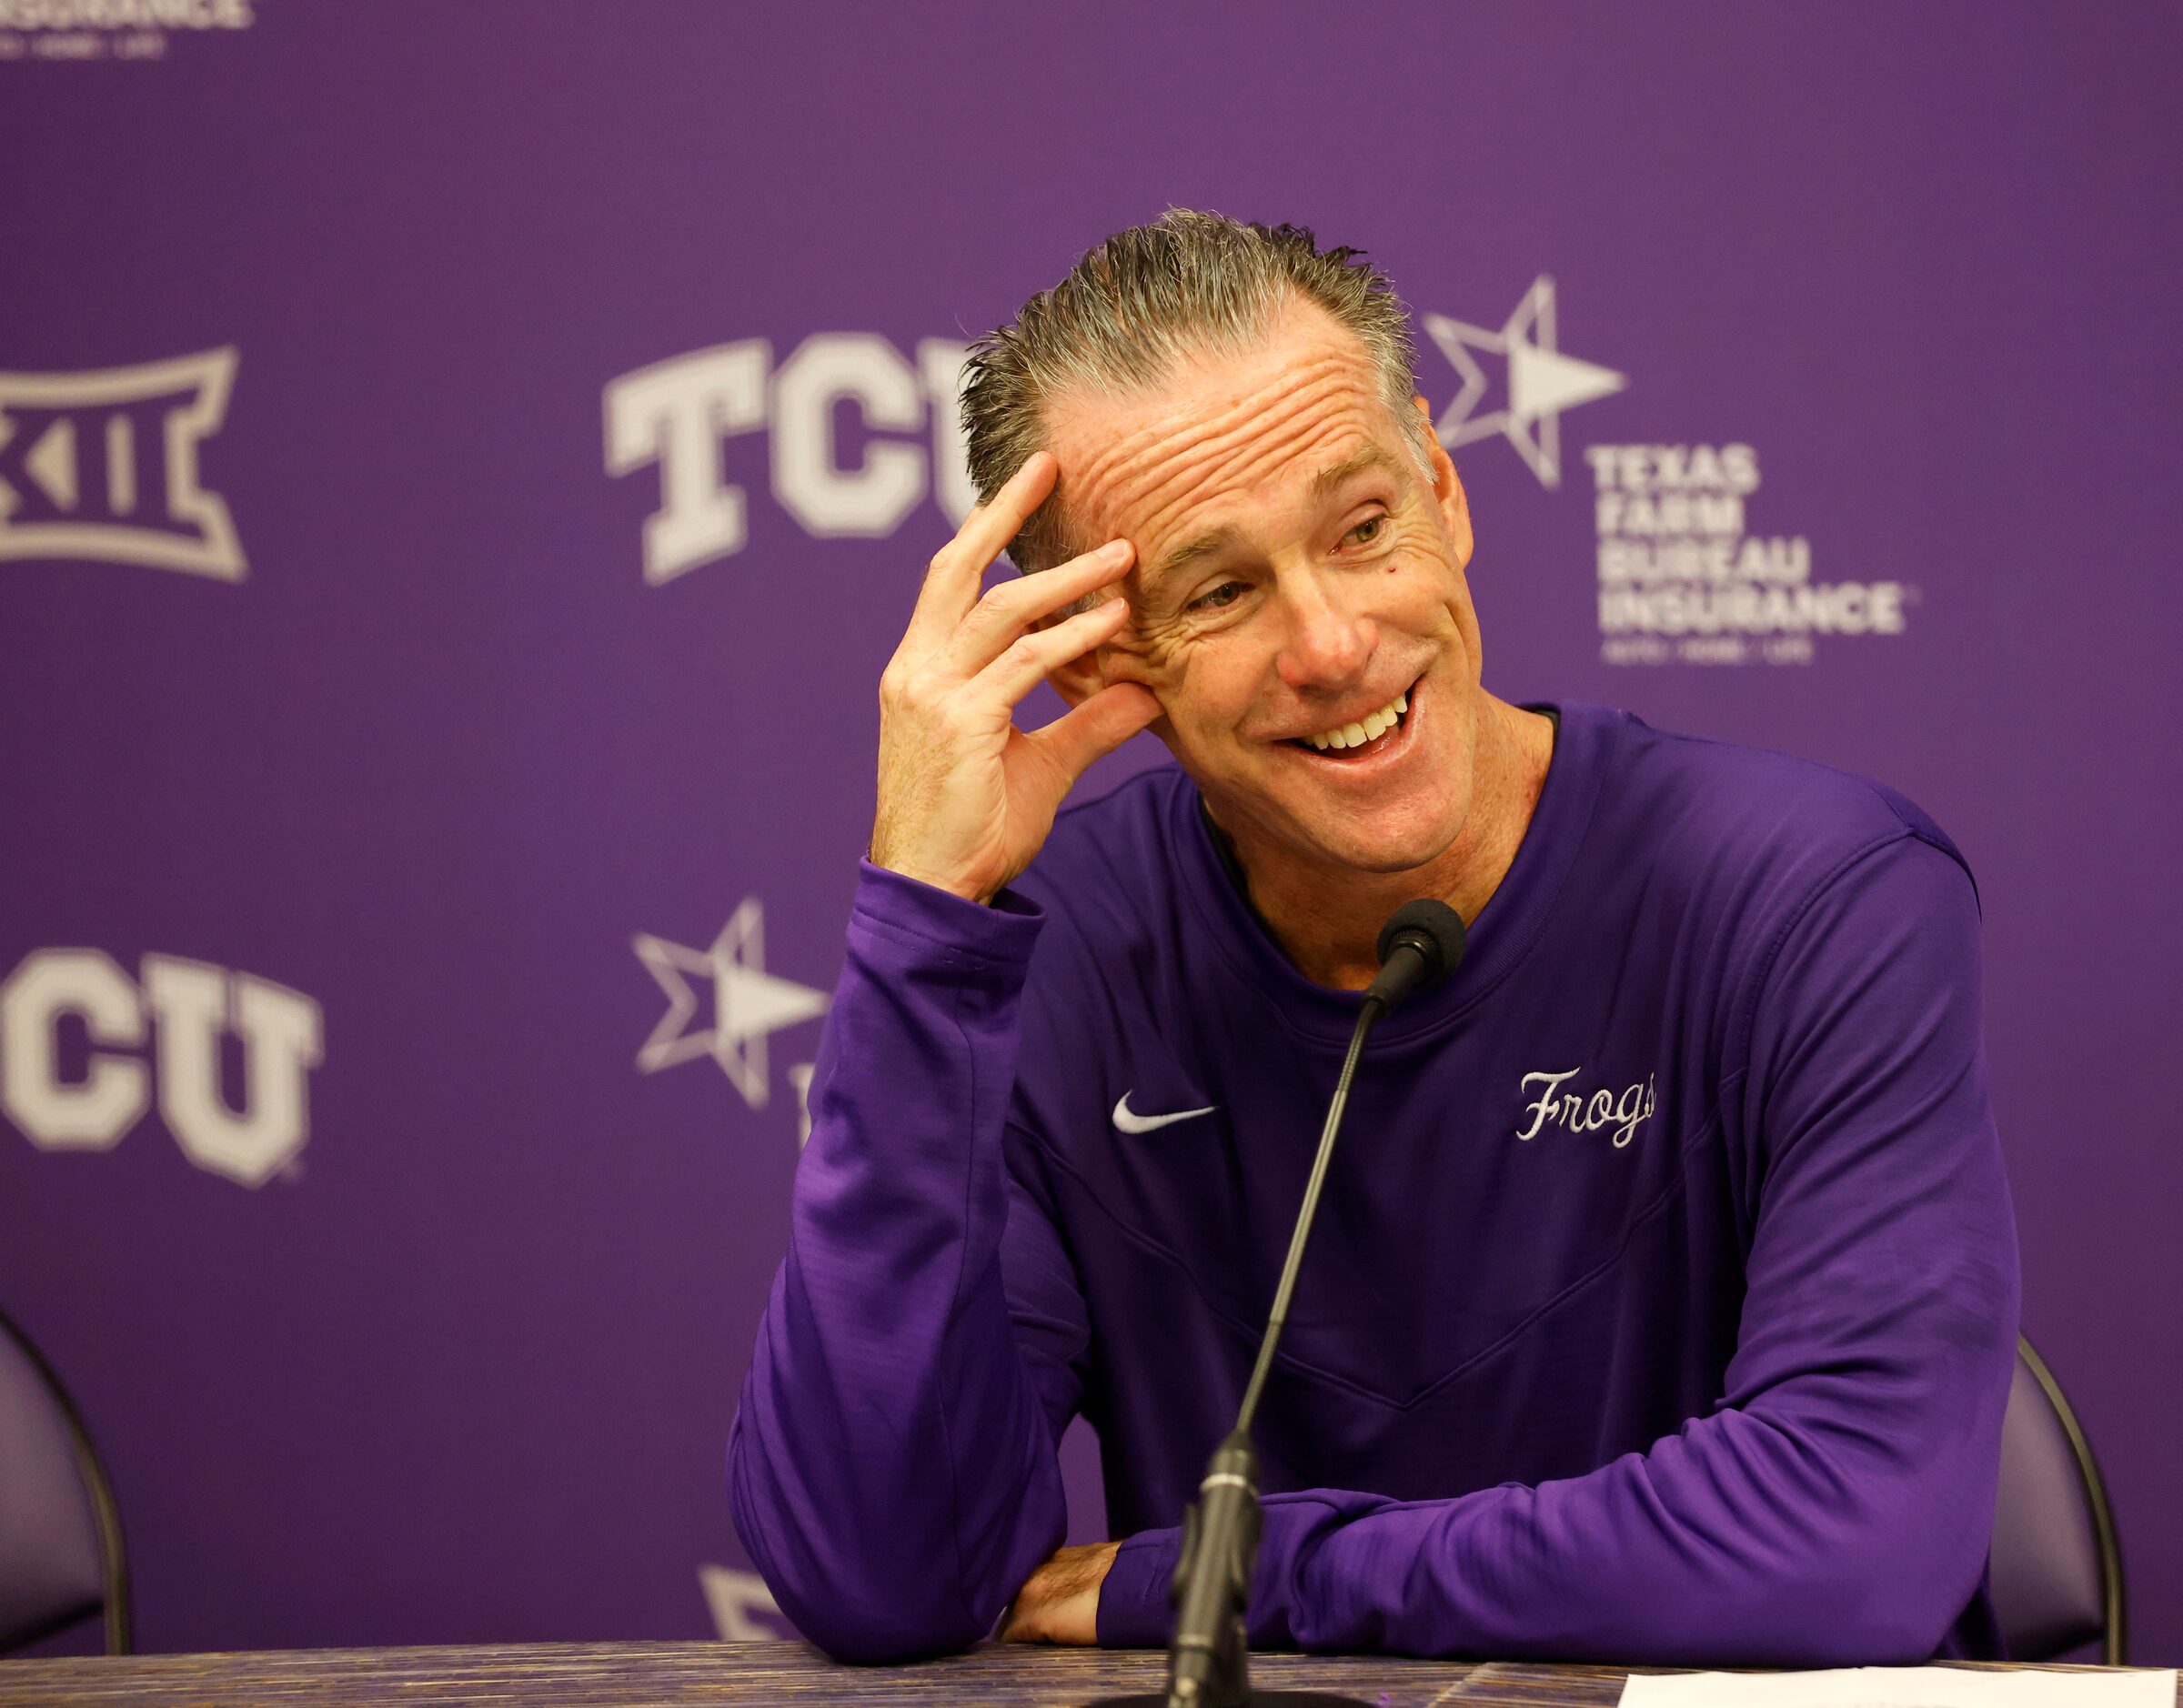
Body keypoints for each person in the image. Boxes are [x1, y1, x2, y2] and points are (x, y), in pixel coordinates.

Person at [727, 211, 2019, 1666]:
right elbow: (881, 1575)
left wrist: (1237, 1573)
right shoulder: (1061, 953)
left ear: (1444, 493)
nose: (1333, 642)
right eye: (1219, 590)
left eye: (1361, 528)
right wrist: (922, 920)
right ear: (1095, 651)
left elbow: (1851, 1543)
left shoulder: (1813, 893)